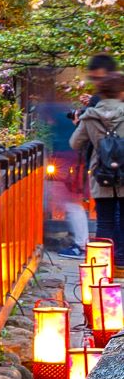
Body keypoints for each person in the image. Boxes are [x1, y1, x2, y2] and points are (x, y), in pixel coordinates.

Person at [71, 71, 124, 248]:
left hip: (102, 173)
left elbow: (75, 143)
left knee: (104, 222)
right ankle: (122, 264)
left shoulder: (91, 115)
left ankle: (104, 268)